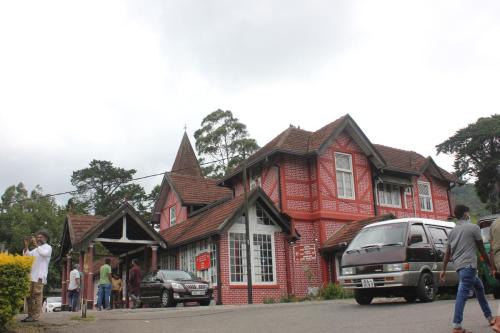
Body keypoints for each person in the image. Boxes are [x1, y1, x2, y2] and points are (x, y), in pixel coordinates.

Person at [440, 204, 495, 333]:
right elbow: (482, 250)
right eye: (468, 213)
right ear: (465, 214)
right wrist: (491, 266)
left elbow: (447, 253)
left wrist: (443, 269)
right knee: (462, 293)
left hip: (460, 267)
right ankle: (457, 326)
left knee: (479, 288)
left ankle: (490, 317)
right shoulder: (473, 228)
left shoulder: (452, 232)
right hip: (469, 266)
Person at [21, 230, 52, 322]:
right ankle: (30, 315)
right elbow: (27, 256)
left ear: (46, 238)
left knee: (37, 295)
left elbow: (44, 254)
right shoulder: (36, 249)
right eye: (38, 237)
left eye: (41, 237)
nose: (38, 238)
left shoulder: (48, 247)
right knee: (29, 296)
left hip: (40, 275)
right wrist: (26, 245)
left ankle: (36, 316)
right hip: (31, 276)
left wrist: (36, 245)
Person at [489, 215, 500, 332]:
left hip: (497, 260)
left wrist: (493, 267)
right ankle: (498, 323)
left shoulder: (494, 224)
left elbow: (491, 250)